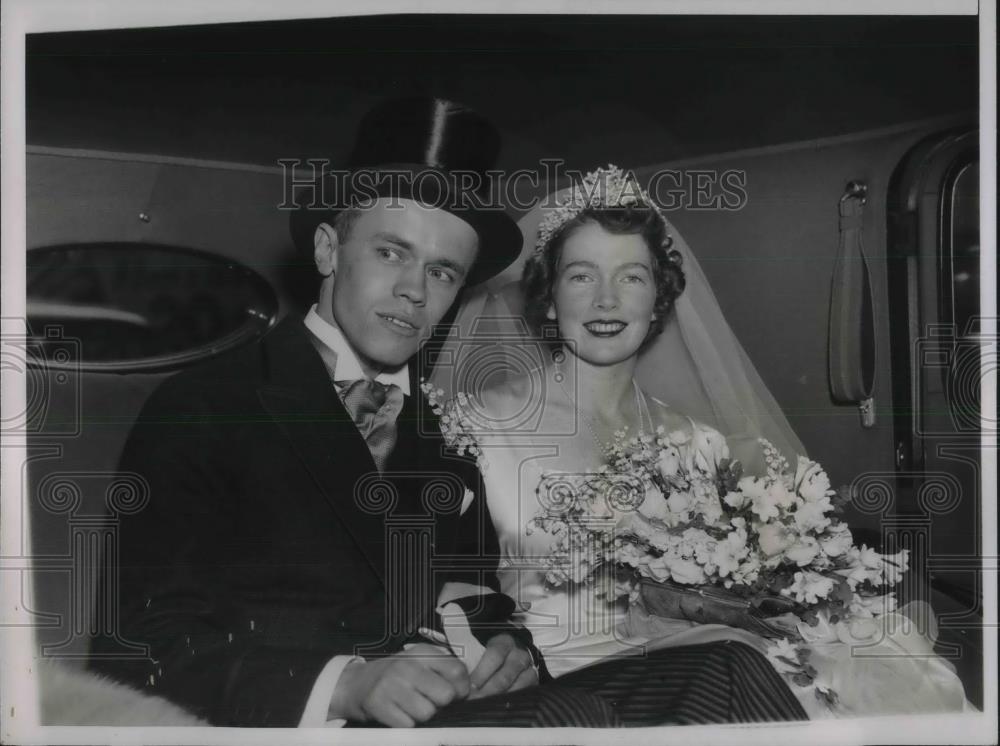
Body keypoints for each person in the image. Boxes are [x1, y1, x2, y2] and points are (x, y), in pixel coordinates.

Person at [88, 97, 612, 729]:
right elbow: (135, 652)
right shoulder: (203, 408)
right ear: (328, 251)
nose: (415, 292)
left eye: (443, 272)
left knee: (722, 668)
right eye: (391, 252)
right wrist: (344, 686)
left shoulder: (444, 434)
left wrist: (509, 650)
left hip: (450, 722)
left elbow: (475, 594)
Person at [430, 165, 971, 720]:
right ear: (548, 298)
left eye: (632, 277)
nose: (608, 301)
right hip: (552, 669)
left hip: (694, 649)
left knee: (863, 647)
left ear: (658, 301)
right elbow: (447, 586)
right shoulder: (476, 422)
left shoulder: (697, 440)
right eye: (582, 277)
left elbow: (721, 585)